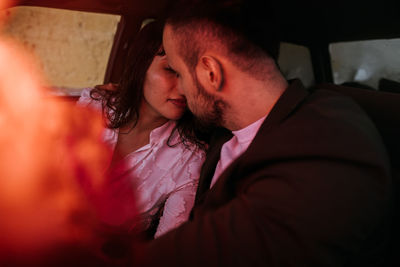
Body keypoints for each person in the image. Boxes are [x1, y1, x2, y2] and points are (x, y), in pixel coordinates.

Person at [131, 0, 393, 266]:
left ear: (211, 72)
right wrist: (123, 98)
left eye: (179, 73)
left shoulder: (334, 141)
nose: (181, 90)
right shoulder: (223, 126)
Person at [77, 19, 207, 239]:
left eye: (191, 76)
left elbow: (167, 247)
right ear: (140, 67)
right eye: (171, 70)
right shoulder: (94, 104)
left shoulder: (189, 159)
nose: (185, 87)